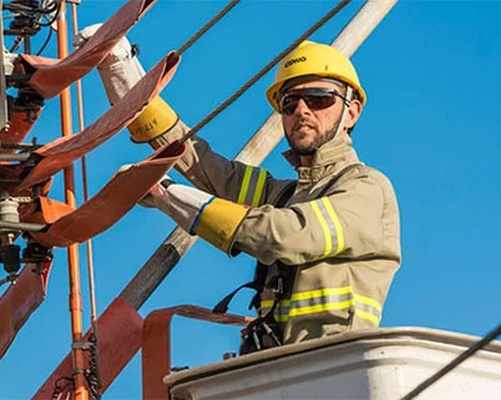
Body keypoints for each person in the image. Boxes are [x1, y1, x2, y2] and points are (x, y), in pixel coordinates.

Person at [85, 30, 401, 347]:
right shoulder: (287, 197)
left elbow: (284, 236)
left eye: (319, 99)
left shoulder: (366, 189)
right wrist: (122, 74)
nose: (302, 111)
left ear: (352, 111)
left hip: (333, 365)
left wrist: (168, 195)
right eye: (289, 103)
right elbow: (208, 168)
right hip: (275, 367)